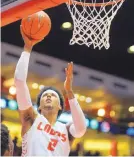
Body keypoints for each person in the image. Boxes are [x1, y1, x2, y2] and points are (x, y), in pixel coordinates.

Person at [14, 26, 87, 156]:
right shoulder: (31, 119)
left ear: (60, 106)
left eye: (53, 96)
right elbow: (19, 82)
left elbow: (81, 129)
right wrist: (27, 49)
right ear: (39, 106)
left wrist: (69, 92)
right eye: (45, 96)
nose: (48, 96)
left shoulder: (66, 129)